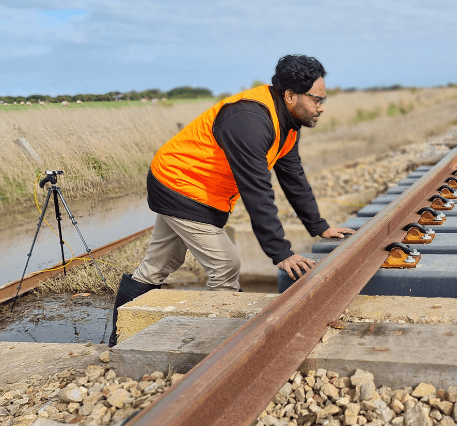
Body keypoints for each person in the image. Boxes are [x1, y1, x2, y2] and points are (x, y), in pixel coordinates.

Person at [108, 54, 355, 346]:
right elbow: (257, 191)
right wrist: (281, 252)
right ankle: (221, 347)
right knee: (226, 265)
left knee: (159, 264)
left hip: (189, 184)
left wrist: (319, 225)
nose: (321, 107)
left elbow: (292, 177)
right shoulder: (250, 121)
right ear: (290, 95)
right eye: (316, 100)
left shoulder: (286, 123)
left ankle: (120, 339)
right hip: (181, 185)